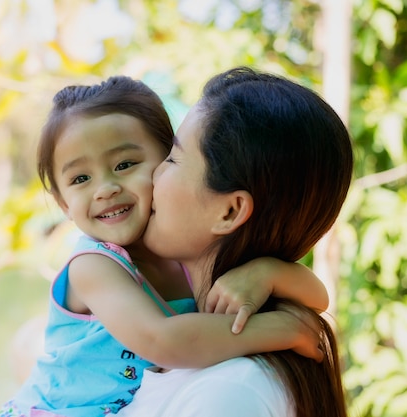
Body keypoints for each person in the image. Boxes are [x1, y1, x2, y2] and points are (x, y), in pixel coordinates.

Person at [0, 75, 330, 417]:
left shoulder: (186, 256)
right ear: (63, 203)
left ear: (162, 163)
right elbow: (162, 340)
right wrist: (279, 330)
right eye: (81, 179)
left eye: (125, 165)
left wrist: (267, 273)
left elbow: (319, 298)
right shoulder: (94, 265)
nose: (105, 189)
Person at [116, 67, 353, 417]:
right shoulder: (207, 355)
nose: (153, 173)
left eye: (173, 158)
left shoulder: (228, 393)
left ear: (229, 211)